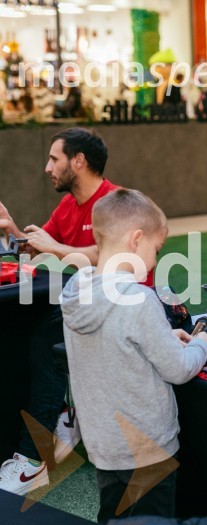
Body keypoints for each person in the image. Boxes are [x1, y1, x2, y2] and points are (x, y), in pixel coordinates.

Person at [60, 188, 207, 523]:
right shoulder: (139, 299)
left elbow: (112, 343)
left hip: (102, 446)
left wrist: (162, 335)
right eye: (156, 249)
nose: (156, 260)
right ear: (137, 239)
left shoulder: (76, 292)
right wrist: (203, 342)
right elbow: (178, 369)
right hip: (148, 450)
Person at [0, 128, 119, 495]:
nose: (47, 167)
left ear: (78, 161)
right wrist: (12, 230)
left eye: (54, 158)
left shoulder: (115, 201)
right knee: (30, 326)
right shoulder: (68, 205)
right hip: (86, 304)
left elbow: (116, 256)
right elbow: (41, 251)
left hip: (122, 305)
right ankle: (64, 416)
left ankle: (34, 459)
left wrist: (57, 246)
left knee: (46, 340)